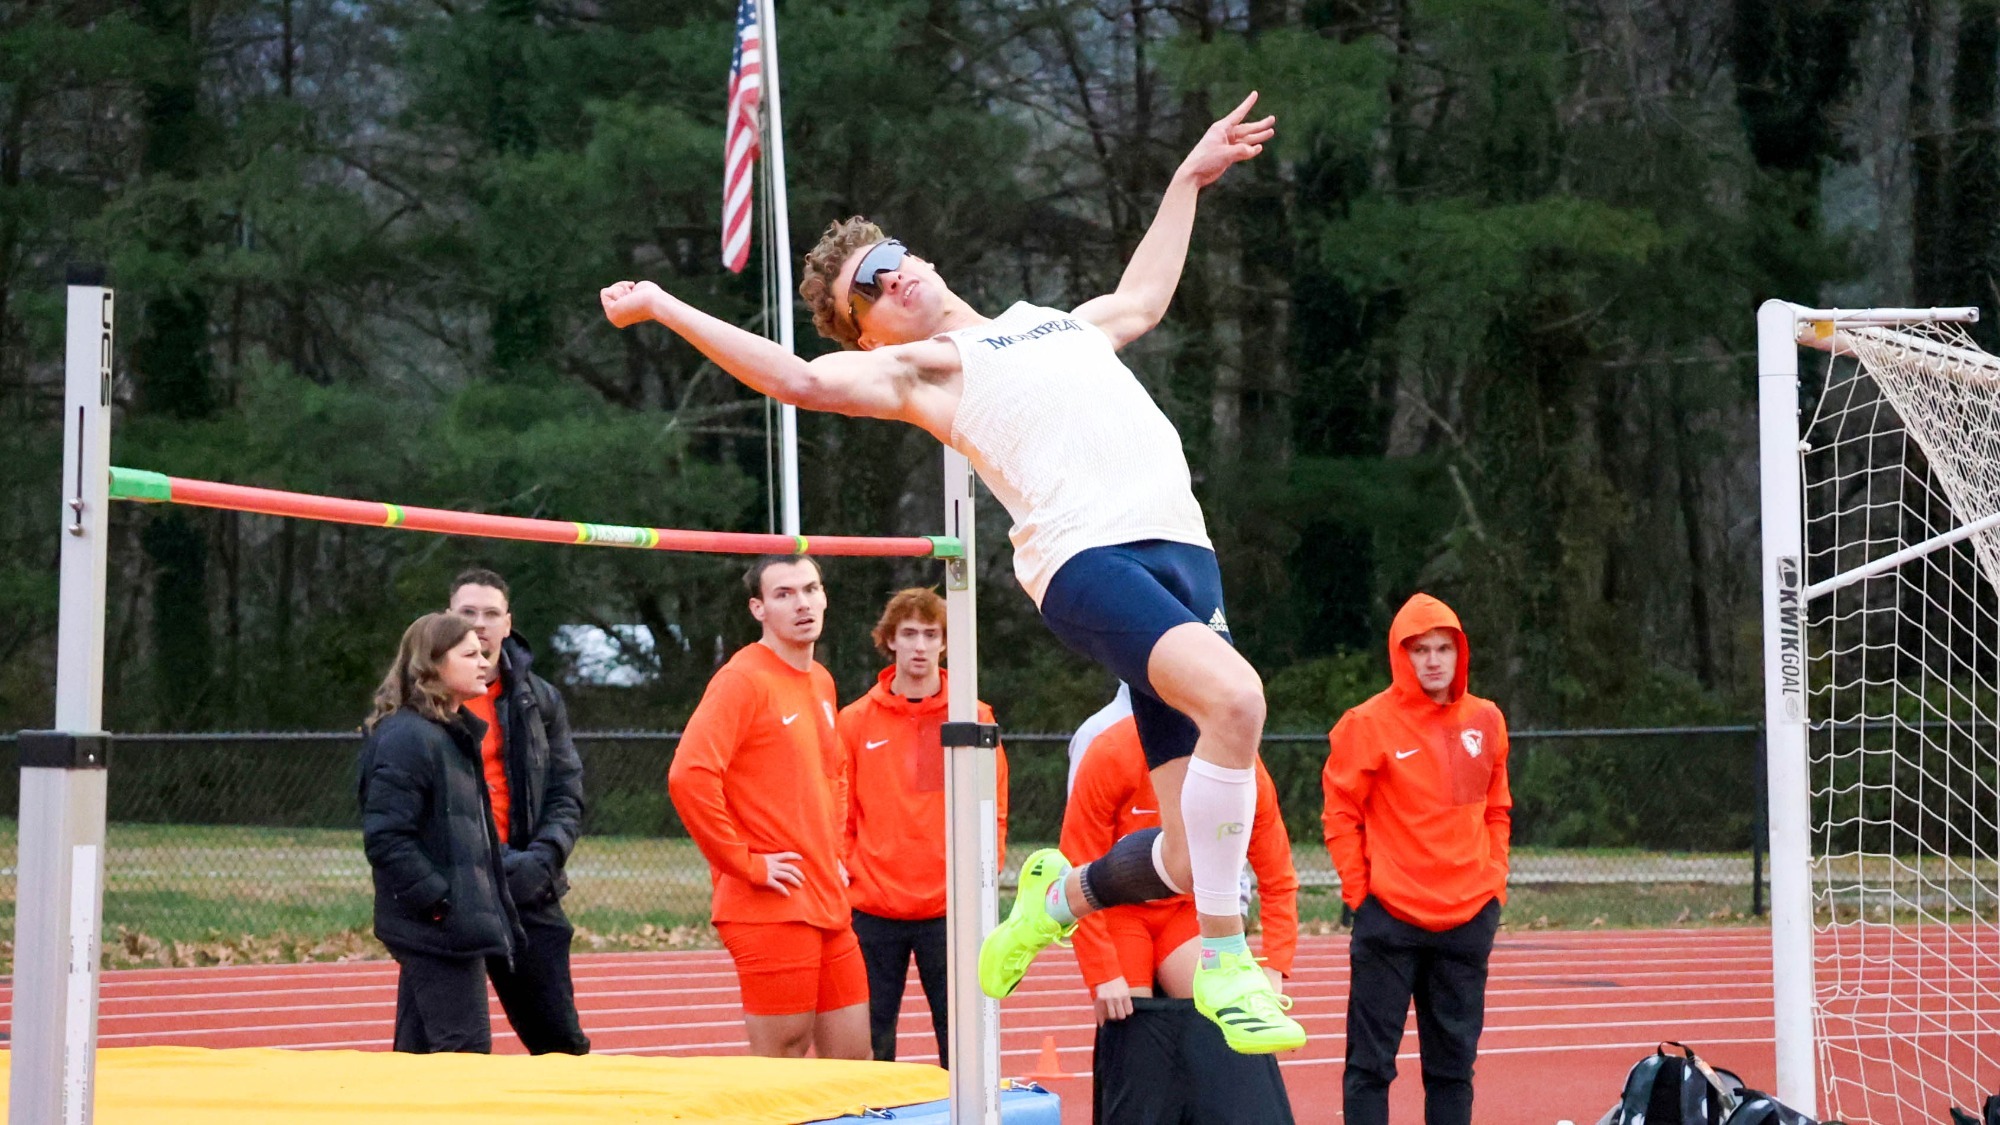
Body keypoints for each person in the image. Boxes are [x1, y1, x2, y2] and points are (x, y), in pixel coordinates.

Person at [601, 91, 1301, 1054]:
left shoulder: (1054, 323)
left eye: (890, 256)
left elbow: (1141, 300)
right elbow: (796, 378)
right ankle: (1226, 959)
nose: (892, 275)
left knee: (1187, 854)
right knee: (1239, 699)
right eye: (869, 285)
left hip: (1184, 554)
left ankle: (1058, 897)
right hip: (1087, 559)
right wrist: (662, 304)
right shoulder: (920, 371)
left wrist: (1186, 178)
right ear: (868, 333)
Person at [667, 555, 869, 1060]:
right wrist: (744, 863)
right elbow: (689, 776)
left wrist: (836, 852)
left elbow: (835, 772)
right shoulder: (743, 679)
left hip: (824, 894)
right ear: (758, 608)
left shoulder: (820, 680)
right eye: (784, 594)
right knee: (783, 1057)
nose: (802, 603)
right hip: (769, 903)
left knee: (854, 1058)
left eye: (811, 589)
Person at [1322, 593, 1512, 1125]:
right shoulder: (1367, 723)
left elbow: (1496, 809)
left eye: (1443, 648)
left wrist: (1494, 882)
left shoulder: (1485, 719)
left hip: (1467, 919)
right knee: (1369, 1068)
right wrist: (1361, 893)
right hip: (1390, 918)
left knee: (1453, 1071)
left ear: (1460, 653)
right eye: (1420, 649)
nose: (1432, 660)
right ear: (1399, 654)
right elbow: (1340, 814)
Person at [1065, 714, 1298, 1123]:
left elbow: (1277, 873)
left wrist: (1275, 964)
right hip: (1122, 910)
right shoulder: (1111, 753)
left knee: (1226, 1012)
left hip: (1188, 909)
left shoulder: (1240, 763)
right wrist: (1102, 973)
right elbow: (1077, 866)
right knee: (1130, 1019)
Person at [837, 587, 1009, 1064]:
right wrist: (847, 866)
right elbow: (839, 808)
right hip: (873, 905)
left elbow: (993, 805)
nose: (919, 646)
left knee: (961, 1040)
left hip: (950, 907)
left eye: (931, 634)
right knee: (871, 1038)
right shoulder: (854, 721)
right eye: (909, 633)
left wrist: (986, 871)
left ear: (945, 643)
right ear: (890, 640)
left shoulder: (972, 717)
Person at [358, 612, 522, 1053]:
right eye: (469, 655)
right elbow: (387, 837)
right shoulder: (409, 738)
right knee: (463, 1054)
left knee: (417, 1055)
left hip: (445, 925)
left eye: (482, 653)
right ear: (431, 666)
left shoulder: (448, 735)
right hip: (437, 929)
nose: (484, 662)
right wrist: (440, 902)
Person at [446, 569, 591, 1055]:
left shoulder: (538, 698)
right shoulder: (423, 700)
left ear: (508, 624)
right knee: (446, 1048)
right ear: (447, 618)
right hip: (454, 887)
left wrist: (545, 859)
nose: (479, 624)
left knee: (561, 1043)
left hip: (527, 883)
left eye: (491, 614)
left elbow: (566, 790)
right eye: (467, 613)